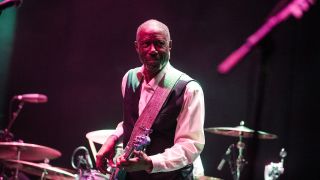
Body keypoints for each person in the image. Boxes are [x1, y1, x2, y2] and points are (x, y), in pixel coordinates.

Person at [96, 19, 205, 180]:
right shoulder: (129, 78)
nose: (153, 50)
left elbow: (190, 145)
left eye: (159, 43)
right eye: (146, 43)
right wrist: (112, 139)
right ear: (136, 47)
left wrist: (150, 163)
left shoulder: (189, 89)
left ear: (170, 46)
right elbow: (134, 122)